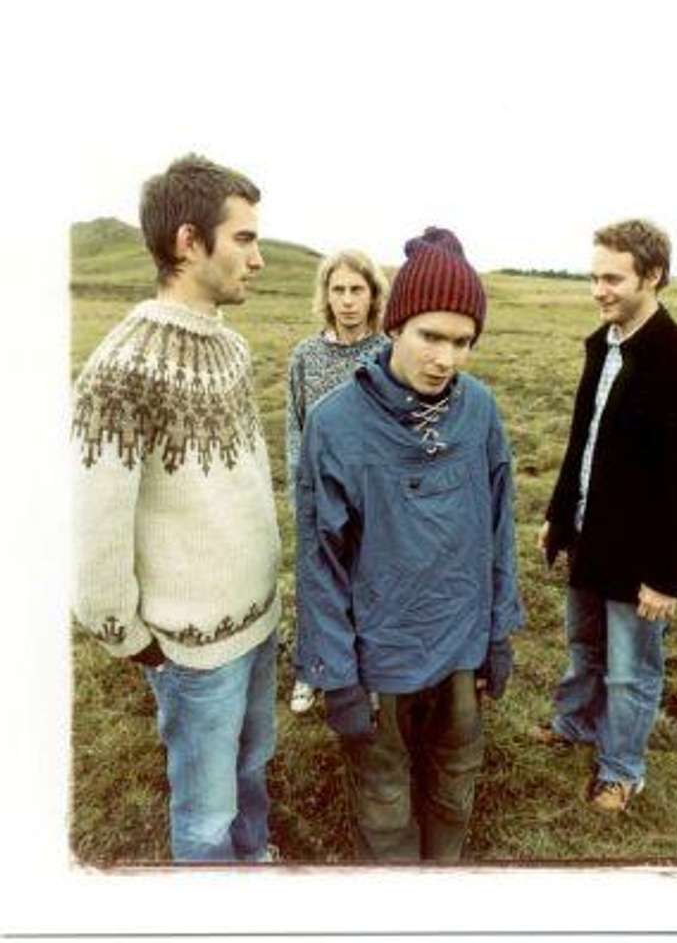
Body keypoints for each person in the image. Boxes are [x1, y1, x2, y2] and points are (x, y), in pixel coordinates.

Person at [71, 154, 283, 862]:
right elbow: (96, 531)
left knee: (252, 769)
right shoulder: (119, 370)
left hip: (258, 622)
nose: (257, 258)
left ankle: (254, 864)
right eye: (244, 239)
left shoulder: (231, 347)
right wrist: (127, 635)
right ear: (189, 242)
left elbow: (245, 484)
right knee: (205, 816)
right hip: (191, 650)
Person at [295, 227, 524, 862]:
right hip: (381, 654)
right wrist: (336, 675)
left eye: (462, 342)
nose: (445, 358)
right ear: (395, 325)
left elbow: (500, 528)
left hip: (460, 644)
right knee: (384, 798)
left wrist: (498, 633)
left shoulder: (480, 411)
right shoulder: (335, 424)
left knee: (454, 782)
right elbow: (319, 562)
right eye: (431, 336)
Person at [536, 218, 677, 813]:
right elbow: (583, 440)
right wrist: (558, 515)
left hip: (643, 556)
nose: (599, 290)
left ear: (653, 275)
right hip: (588, 537)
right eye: (594, 277)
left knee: (630, 669)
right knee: (583, 646)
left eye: (613, 279)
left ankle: (621, 769)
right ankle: (575, 725)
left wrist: (669, 576)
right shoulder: (603, 344)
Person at [285, 249, 388, 714]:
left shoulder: (387, 353)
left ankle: (367, 673)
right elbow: (295, 425)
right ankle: (312, 670)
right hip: (318, 491)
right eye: (338, 290)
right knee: (317, 582)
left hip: (371, 493)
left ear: (373, 295)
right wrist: (301, 491)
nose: (347, 300)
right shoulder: (305, 356)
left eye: (356, 290)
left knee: (366, 584)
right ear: (326, 295)